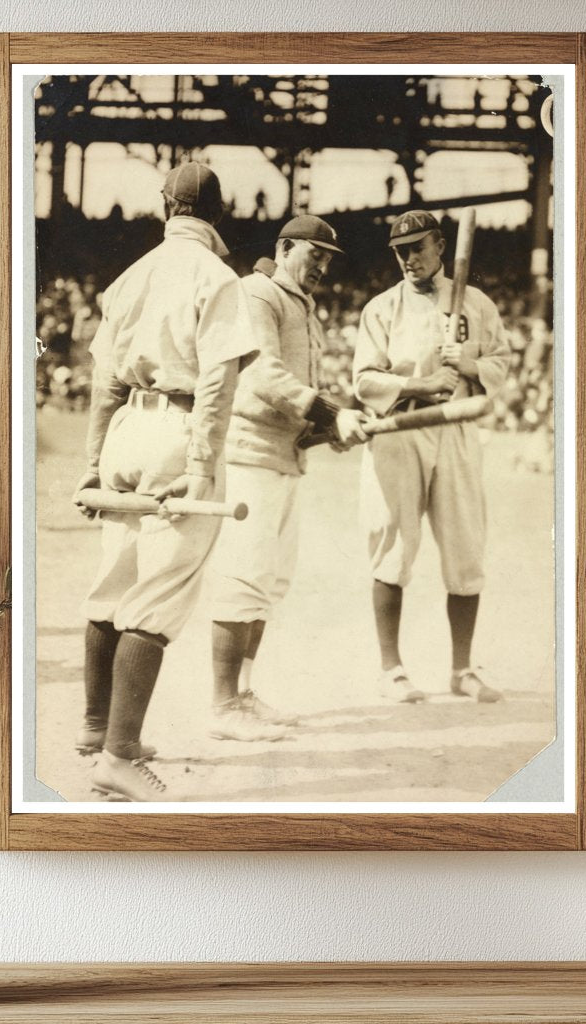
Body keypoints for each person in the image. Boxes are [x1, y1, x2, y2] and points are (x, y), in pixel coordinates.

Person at [73, 162, 256, 802]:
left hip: (126, 427)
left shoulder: (132, 276)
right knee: (157, 594)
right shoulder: (219, 276)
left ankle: (97, 729)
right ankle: (120, 756)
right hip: (179, 430)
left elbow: (104, 381)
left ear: (165, 211)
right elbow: (217, 381)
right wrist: (203, 464)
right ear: (218, 215)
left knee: (113, 583)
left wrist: (94, 461)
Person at [208, 216, 368, 741]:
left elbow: (299, 403)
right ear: (284, 248)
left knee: (270, 583)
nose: (321, 265)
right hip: (249, 457)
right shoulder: (257, 292)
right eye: (313, 253)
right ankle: (222, 705)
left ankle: (244, 695)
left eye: (327, 258)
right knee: (242, 578)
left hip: (284, 459)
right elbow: (260, 376)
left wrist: (328, 431)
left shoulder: (304, 306)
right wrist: (328, 413)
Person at [353, 210, 511, 704]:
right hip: (402, 426)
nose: (408, 258)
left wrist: (467, 364)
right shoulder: (382, 307)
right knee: (393, 546)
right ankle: (392, 667)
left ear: (441, 246)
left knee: (466, 550)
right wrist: (420, 382)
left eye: (417, 247)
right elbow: (364, 381)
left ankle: (462, 669)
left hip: (458, 425)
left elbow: (502, 364)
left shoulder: (478, 305)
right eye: (400, 251)